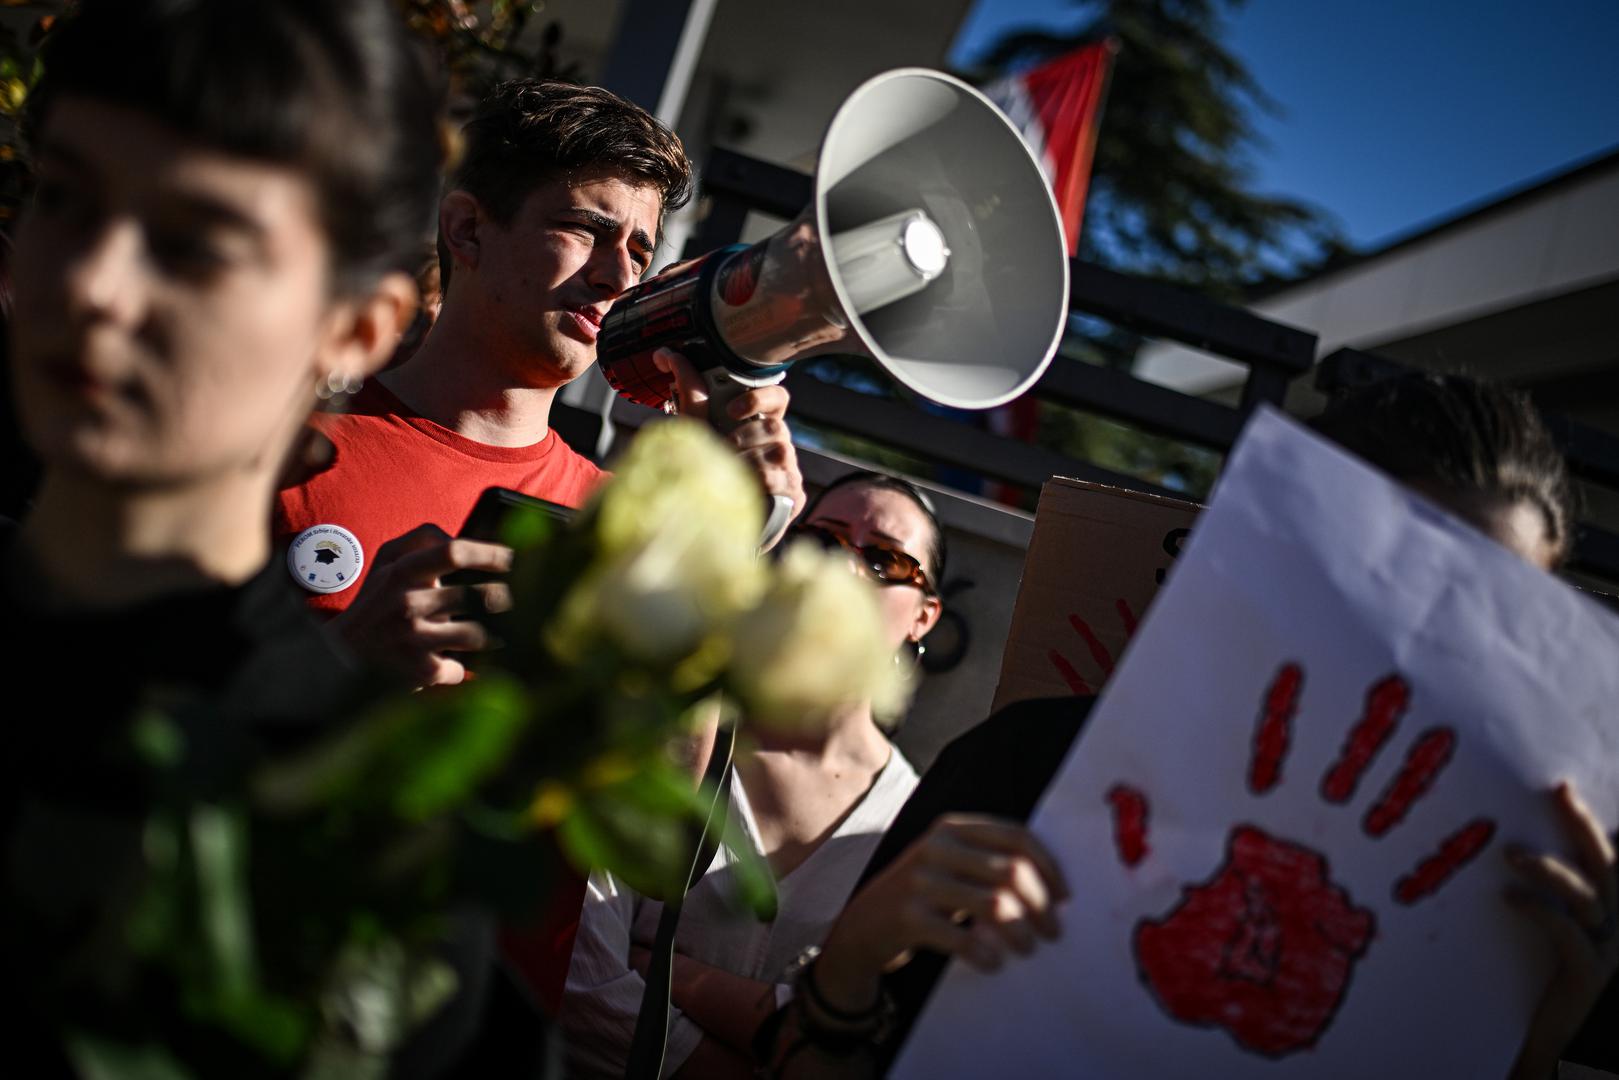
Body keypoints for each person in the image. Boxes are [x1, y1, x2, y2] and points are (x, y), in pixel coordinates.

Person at [761, 372, 1617, 1079]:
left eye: (1501, 623)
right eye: (1414, 589)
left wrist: (1525, 1049)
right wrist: (852, 966)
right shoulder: (1027, 766)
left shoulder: (1517, 922)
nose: (1432, 653)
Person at [0, 0, 483, 1071]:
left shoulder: (364, 843)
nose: (93, 286)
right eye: (66, 198)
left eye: (194, 245)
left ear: (357, 328)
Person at [273, 78, 805, 690]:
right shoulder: (280, 449)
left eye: (639, 253)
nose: (618, 277)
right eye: (585, 229)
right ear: (467, 228)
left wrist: (722, 550)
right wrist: (342, 663)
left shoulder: (622, 525)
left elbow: (667, 748)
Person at [561, 472, 946, 1078]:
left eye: (885, 560)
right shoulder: (679, 727)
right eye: (822, 542)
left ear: (924, 616)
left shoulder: (912, 819)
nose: (844, 570)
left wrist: (674, 974)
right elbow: (581, 976)